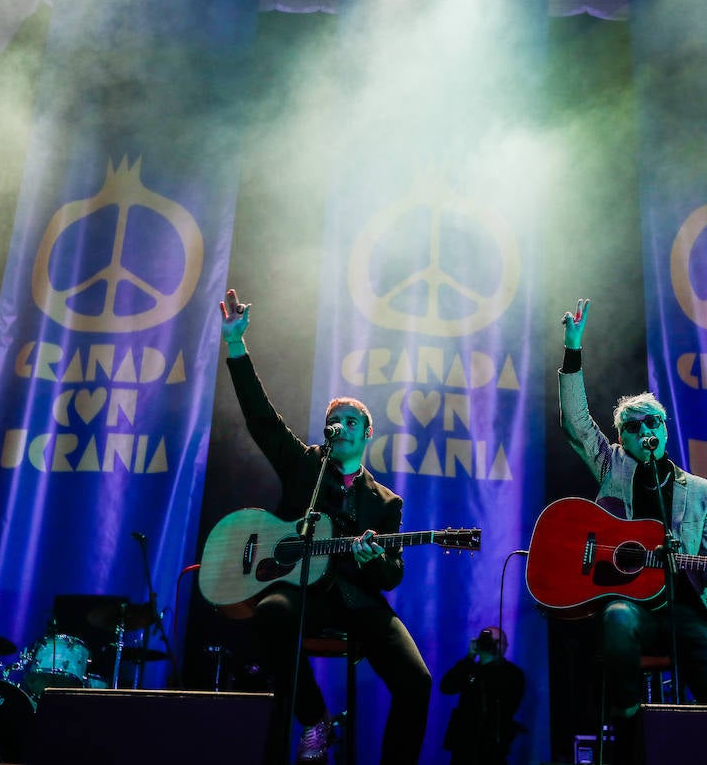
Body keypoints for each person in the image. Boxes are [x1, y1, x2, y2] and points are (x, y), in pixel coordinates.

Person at [218, 288, 432, 765]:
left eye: (352, 420)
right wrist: (236, 345)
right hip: (303, 592)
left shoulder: (385, 502)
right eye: (334, 420)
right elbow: (261, 419)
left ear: (367, 432)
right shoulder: (304, 467)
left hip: (355, 599)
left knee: (416, 682)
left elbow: (393, 574)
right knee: (272, 612)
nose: (342, 425)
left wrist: (373, 562)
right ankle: (314, 718)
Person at [556, 298, 707, 740]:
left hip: (684, 611)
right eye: (636, 425)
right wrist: (573, 348)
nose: (647, 430)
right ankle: (629, 724)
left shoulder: (706, 494)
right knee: (619, 618)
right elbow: (575, 423)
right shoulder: (612, 466)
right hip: (631, 606)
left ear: (664, 430)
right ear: (622, 437)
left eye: (655, 422)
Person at [438, 626, 526, 765]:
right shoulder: (470, 669)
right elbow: (446, 687)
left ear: (505, 646)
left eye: (496, 641)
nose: (489, 644)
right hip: (463, 746)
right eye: (486, 640)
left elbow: (507, 705)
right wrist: (469, 657)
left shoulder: (512, 674)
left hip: (492, 747)